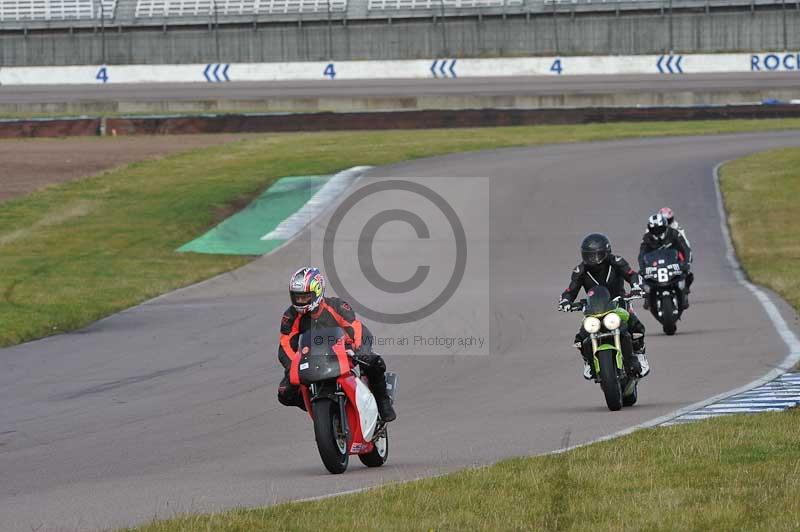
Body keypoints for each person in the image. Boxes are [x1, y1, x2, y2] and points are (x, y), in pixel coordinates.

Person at [277, 267, 396, 422]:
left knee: (372, 361)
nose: (300, 301)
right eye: (296, 297)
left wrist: (361, 350)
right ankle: (322, 409)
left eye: (305, 297)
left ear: (317, 292)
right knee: (284, 393)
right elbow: (285, 343)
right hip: (311, 358)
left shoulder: (337, 306)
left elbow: (355, 328)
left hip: (344, 350)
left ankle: (382, 402)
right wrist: (293, 365)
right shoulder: (291, 316)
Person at [558, 233, 650, 380]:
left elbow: (632, 274)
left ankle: (639, 354)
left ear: (606, 252)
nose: (593, 260)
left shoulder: (616, 262)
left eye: (597, 255)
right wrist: (565, 301)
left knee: (636, 327)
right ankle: (588, 360)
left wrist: (636, 287)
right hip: (594, 309)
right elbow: (571, 289)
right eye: (589, 256)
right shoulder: (580, 271)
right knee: (581, 337)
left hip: (619, 303)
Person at [639, 213, 693, 309]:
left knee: (688, 274)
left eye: (659, 229)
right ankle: (647, 296)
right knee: (643, 278)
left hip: (674, 261)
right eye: (654, 229)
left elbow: (685, 248)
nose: (657, 232)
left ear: (665, 226)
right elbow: (642, 254)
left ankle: (685, 292)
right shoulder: (647, 238)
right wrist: (642, 268)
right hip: (656, 264)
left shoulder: (674, 233)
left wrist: (686, 263)